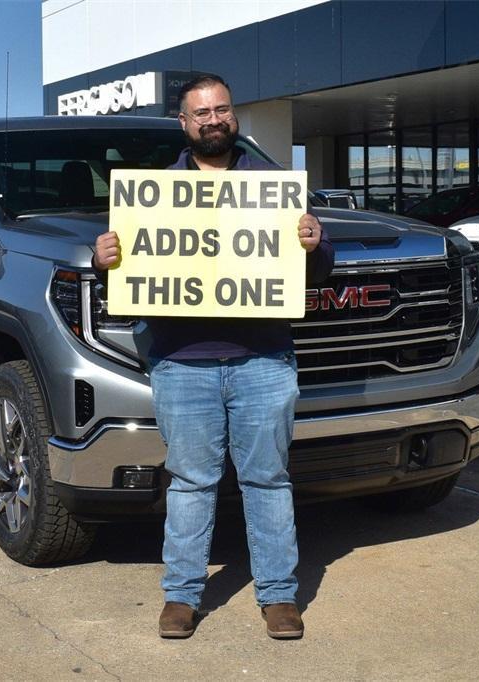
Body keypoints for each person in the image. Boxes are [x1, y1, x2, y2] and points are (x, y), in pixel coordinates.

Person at [93, 74, 334, 640]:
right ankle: (182, 595)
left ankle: (278, 596)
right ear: (184, 123)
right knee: (190, 482)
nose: (212, 121)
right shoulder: (153, 195)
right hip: (181, 362)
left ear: (235, 116)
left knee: (268, 480)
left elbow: (316, 271)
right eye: (200, 113)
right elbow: (127, 283)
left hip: (264, 359)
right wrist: (106, 259)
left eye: (221, 110)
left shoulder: (274, 189)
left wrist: (314, 242)